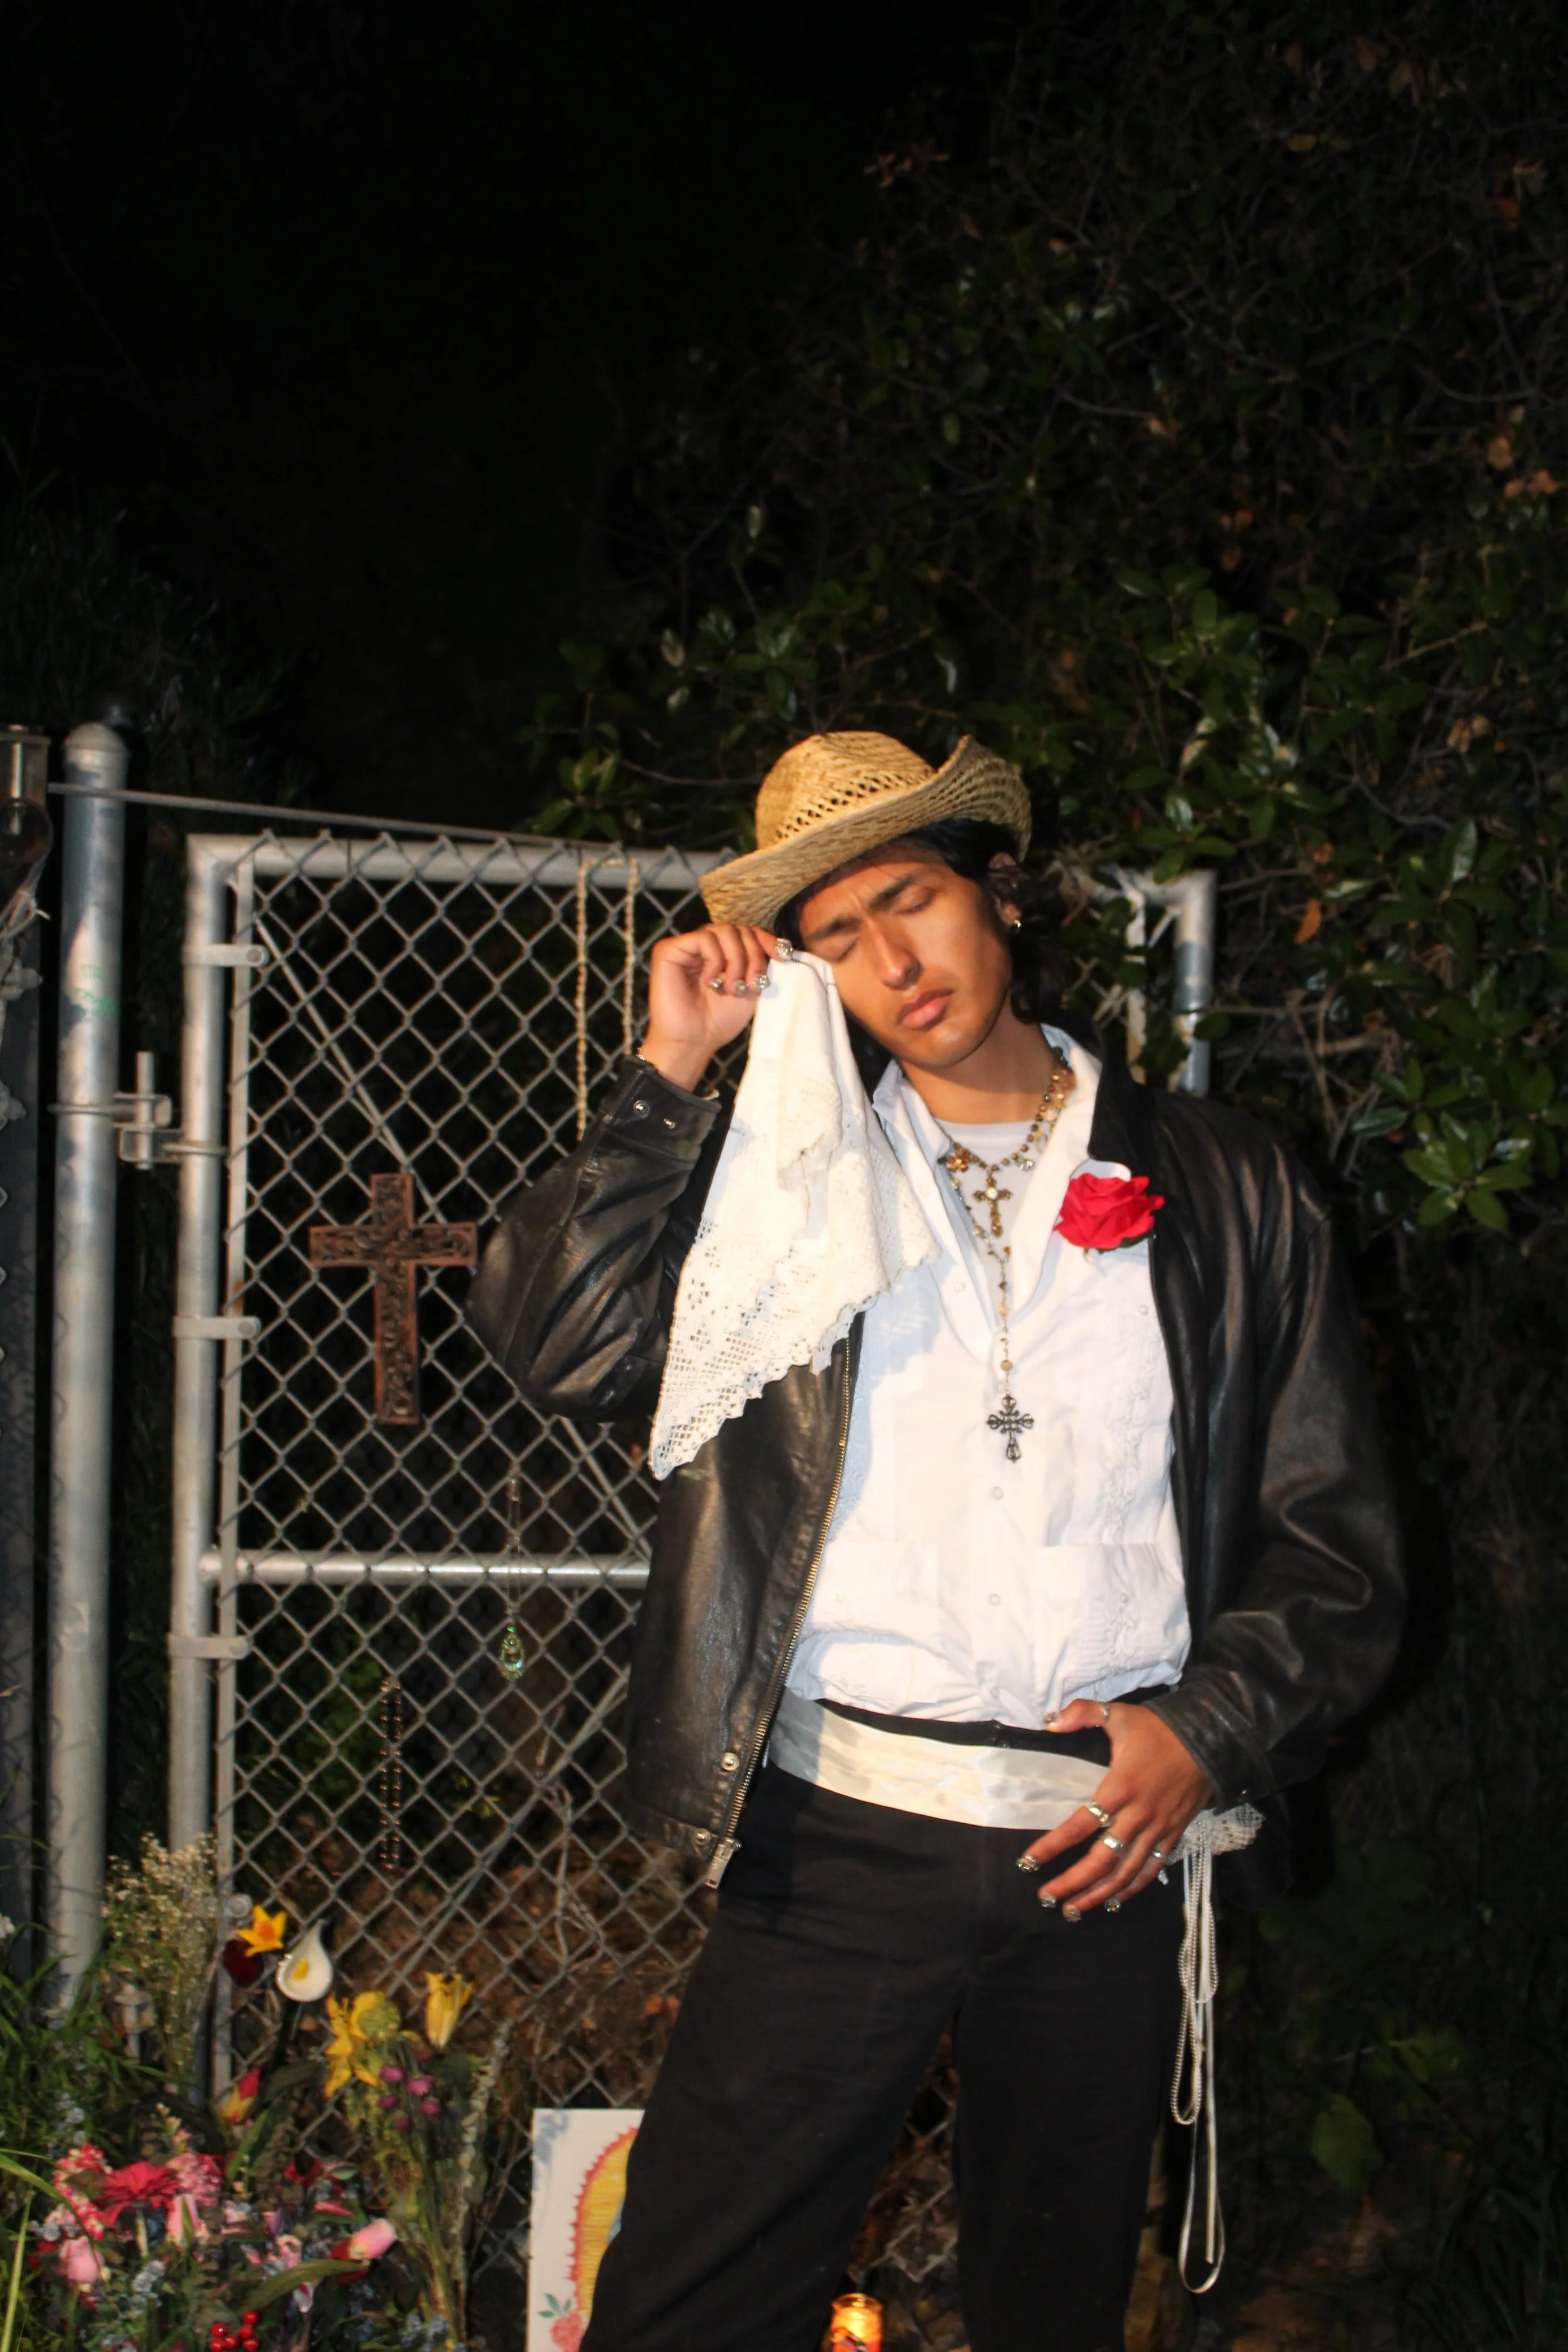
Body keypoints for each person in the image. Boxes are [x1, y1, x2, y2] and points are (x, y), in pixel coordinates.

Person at [467, 731, 1404, 2352]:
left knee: (1050, 2303)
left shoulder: (1228, 1181)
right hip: (837, 1833)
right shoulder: (778, 1185)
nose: (894, 959)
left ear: (999, 898)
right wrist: (666, 1068)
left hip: (1104, 1836)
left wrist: (1210, 1727)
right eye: (836, 933)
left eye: (913, 900)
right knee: (688, 2303)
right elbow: (557, 1343)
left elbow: (1338, 1542)